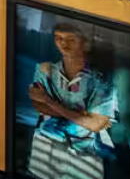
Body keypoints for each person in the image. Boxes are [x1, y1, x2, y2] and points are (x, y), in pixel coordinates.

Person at [24, 21, 120, 178]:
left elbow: (95, 125)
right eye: (58, 38)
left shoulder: (101, 80)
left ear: (85, 43)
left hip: (85, 151)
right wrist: (82, 115)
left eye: (71, 39)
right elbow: (39, 106)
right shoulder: (44, 69)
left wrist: (49, 101)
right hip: (47, 142)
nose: (63, 44)